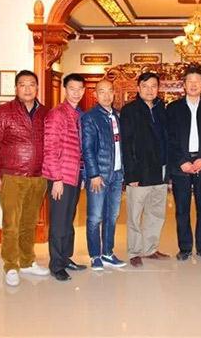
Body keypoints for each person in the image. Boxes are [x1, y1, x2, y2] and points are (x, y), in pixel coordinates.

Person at [0, 70, 50, 287]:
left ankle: (27, 261)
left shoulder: (45, 113)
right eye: (22, 84)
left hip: (38, 178)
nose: (27, 88)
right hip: (12, 177)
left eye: (31, 84)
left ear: (37, 87)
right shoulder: (4, 111)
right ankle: (11, 266)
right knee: (11, 224)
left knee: (29, 223)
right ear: (16, 88)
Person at [167, 65, 201, 261]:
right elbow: (169, 138)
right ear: (184, 85)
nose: (193, 85)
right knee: (182, 209)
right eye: (190, 81)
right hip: (180, 165)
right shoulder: (173, 108)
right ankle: (185, 247)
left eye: (197, 82)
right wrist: (182, 161)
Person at [120, 72, 170, 268]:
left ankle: (150, 248)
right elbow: (126, 144)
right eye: (145, 86)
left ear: (158, 88)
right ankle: (134, 251)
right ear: (138, 88)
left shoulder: (161, 109)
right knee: (134, 215)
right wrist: (131, 174)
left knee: (156, 213)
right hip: (139, 172)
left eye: (153, 86)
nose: (150, 90)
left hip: (160, 170)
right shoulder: (129, 110)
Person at [43, 73, 87, 281]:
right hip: (61, 177)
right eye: (72, 88)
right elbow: (50, 148)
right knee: (59, 222)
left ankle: (66, 257)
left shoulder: (79, 114)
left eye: (79, 89)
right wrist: (56, 179)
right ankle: (56, 264)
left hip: (74, 175)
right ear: (64, 90)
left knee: (68, 220)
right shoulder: (57, 114)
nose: (76, 93)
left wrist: (82, 175)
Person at [81, 80, 126, 271]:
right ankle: (95, 255)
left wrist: (123, 172)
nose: (106, 95)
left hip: (117, 174)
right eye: (102, 92)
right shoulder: (90, 117)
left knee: (112, 215)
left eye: (109, 91)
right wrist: (93, 174)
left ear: (114, 93)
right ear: (95, 95)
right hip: (99, 175)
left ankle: (108, 253)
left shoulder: (118, 115)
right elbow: (87, 148)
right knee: (95, 217)